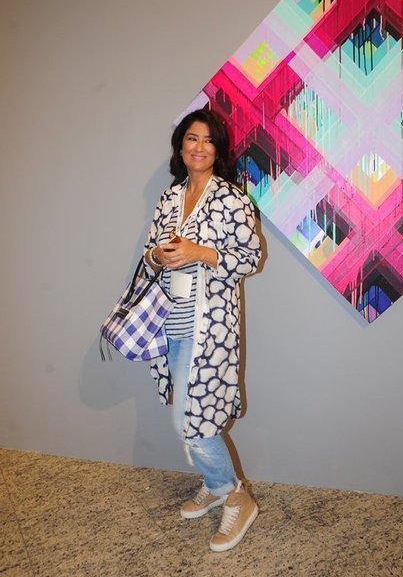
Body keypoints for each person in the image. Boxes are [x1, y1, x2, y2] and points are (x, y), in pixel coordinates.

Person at [143, 108, 261, 552]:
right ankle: (215, 486)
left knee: (193, 420)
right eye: (192, 138)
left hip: (208, 325)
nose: (199, 147)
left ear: (218, 150)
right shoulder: (169, 198)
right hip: (169, 321)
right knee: (188, 412)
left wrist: (199, 252)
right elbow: (149, 254)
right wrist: (158, 256)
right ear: (180, 146)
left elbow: (249, 258)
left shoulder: (232, 200)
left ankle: (235, 495)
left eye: (209, 140)